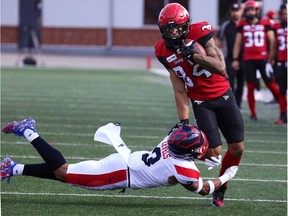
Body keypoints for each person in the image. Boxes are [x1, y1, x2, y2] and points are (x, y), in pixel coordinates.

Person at [1, 118, 238, 198]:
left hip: (124, 163)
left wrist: (198, 157)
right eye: (199, 149)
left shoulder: (171, 140)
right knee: (63, 171)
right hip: (117, 174)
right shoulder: (183, 168)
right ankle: (27, 130)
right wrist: (226, 175)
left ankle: (12, 168)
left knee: (66, 175)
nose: (202, 151)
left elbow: (182, 154)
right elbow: (203, 188)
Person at [154, 3, 244, 207]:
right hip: (201, 102)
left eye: (177, 27)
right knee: (213, 153)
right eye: (168, 28)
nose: (173, 32)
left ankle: (221, 188)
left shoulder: (200, 33)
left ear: (186, 25)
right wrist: (184, 121)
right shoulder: (162, 51)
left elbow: (220, 67)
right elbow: (178, 87)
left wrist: (192, 55)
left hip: (224, 95)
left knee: (237, 148)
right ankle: (174, 153)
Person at [232, 0, 281, 121]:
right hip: (248, 60)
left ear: (257, 10)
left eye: (252, 9)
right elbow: (237, 43)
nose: (250, 12)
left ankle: (283, 109)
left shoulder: (265, 23)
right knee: (250, 86)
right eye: (248, 10)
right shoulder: (242, 24)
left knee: (271, 85)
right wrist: (235, 59)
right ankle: (253, 114)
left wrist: (272, 58)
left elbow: (272, 41)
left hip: (263, 59)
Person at [217, 2, 245, 109]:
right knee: (230, 81)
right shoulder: (226, 25)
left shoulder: (244, 24)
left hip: (244, 58)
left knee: (241, 82)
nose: (235, 13)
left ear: (241, 11)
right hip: (229, 58)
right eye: (233, 11)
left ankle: (239, 105)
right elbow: (219, 41)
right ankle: (232, 104)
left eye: (237, 10)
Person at [273, 4, 287, 124]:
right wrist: (269, 62)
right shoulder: (277, 26)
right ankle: (283, 116)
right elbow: (274, 45)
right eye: (284, 14)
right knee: (282, 90)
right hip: (281, 62)